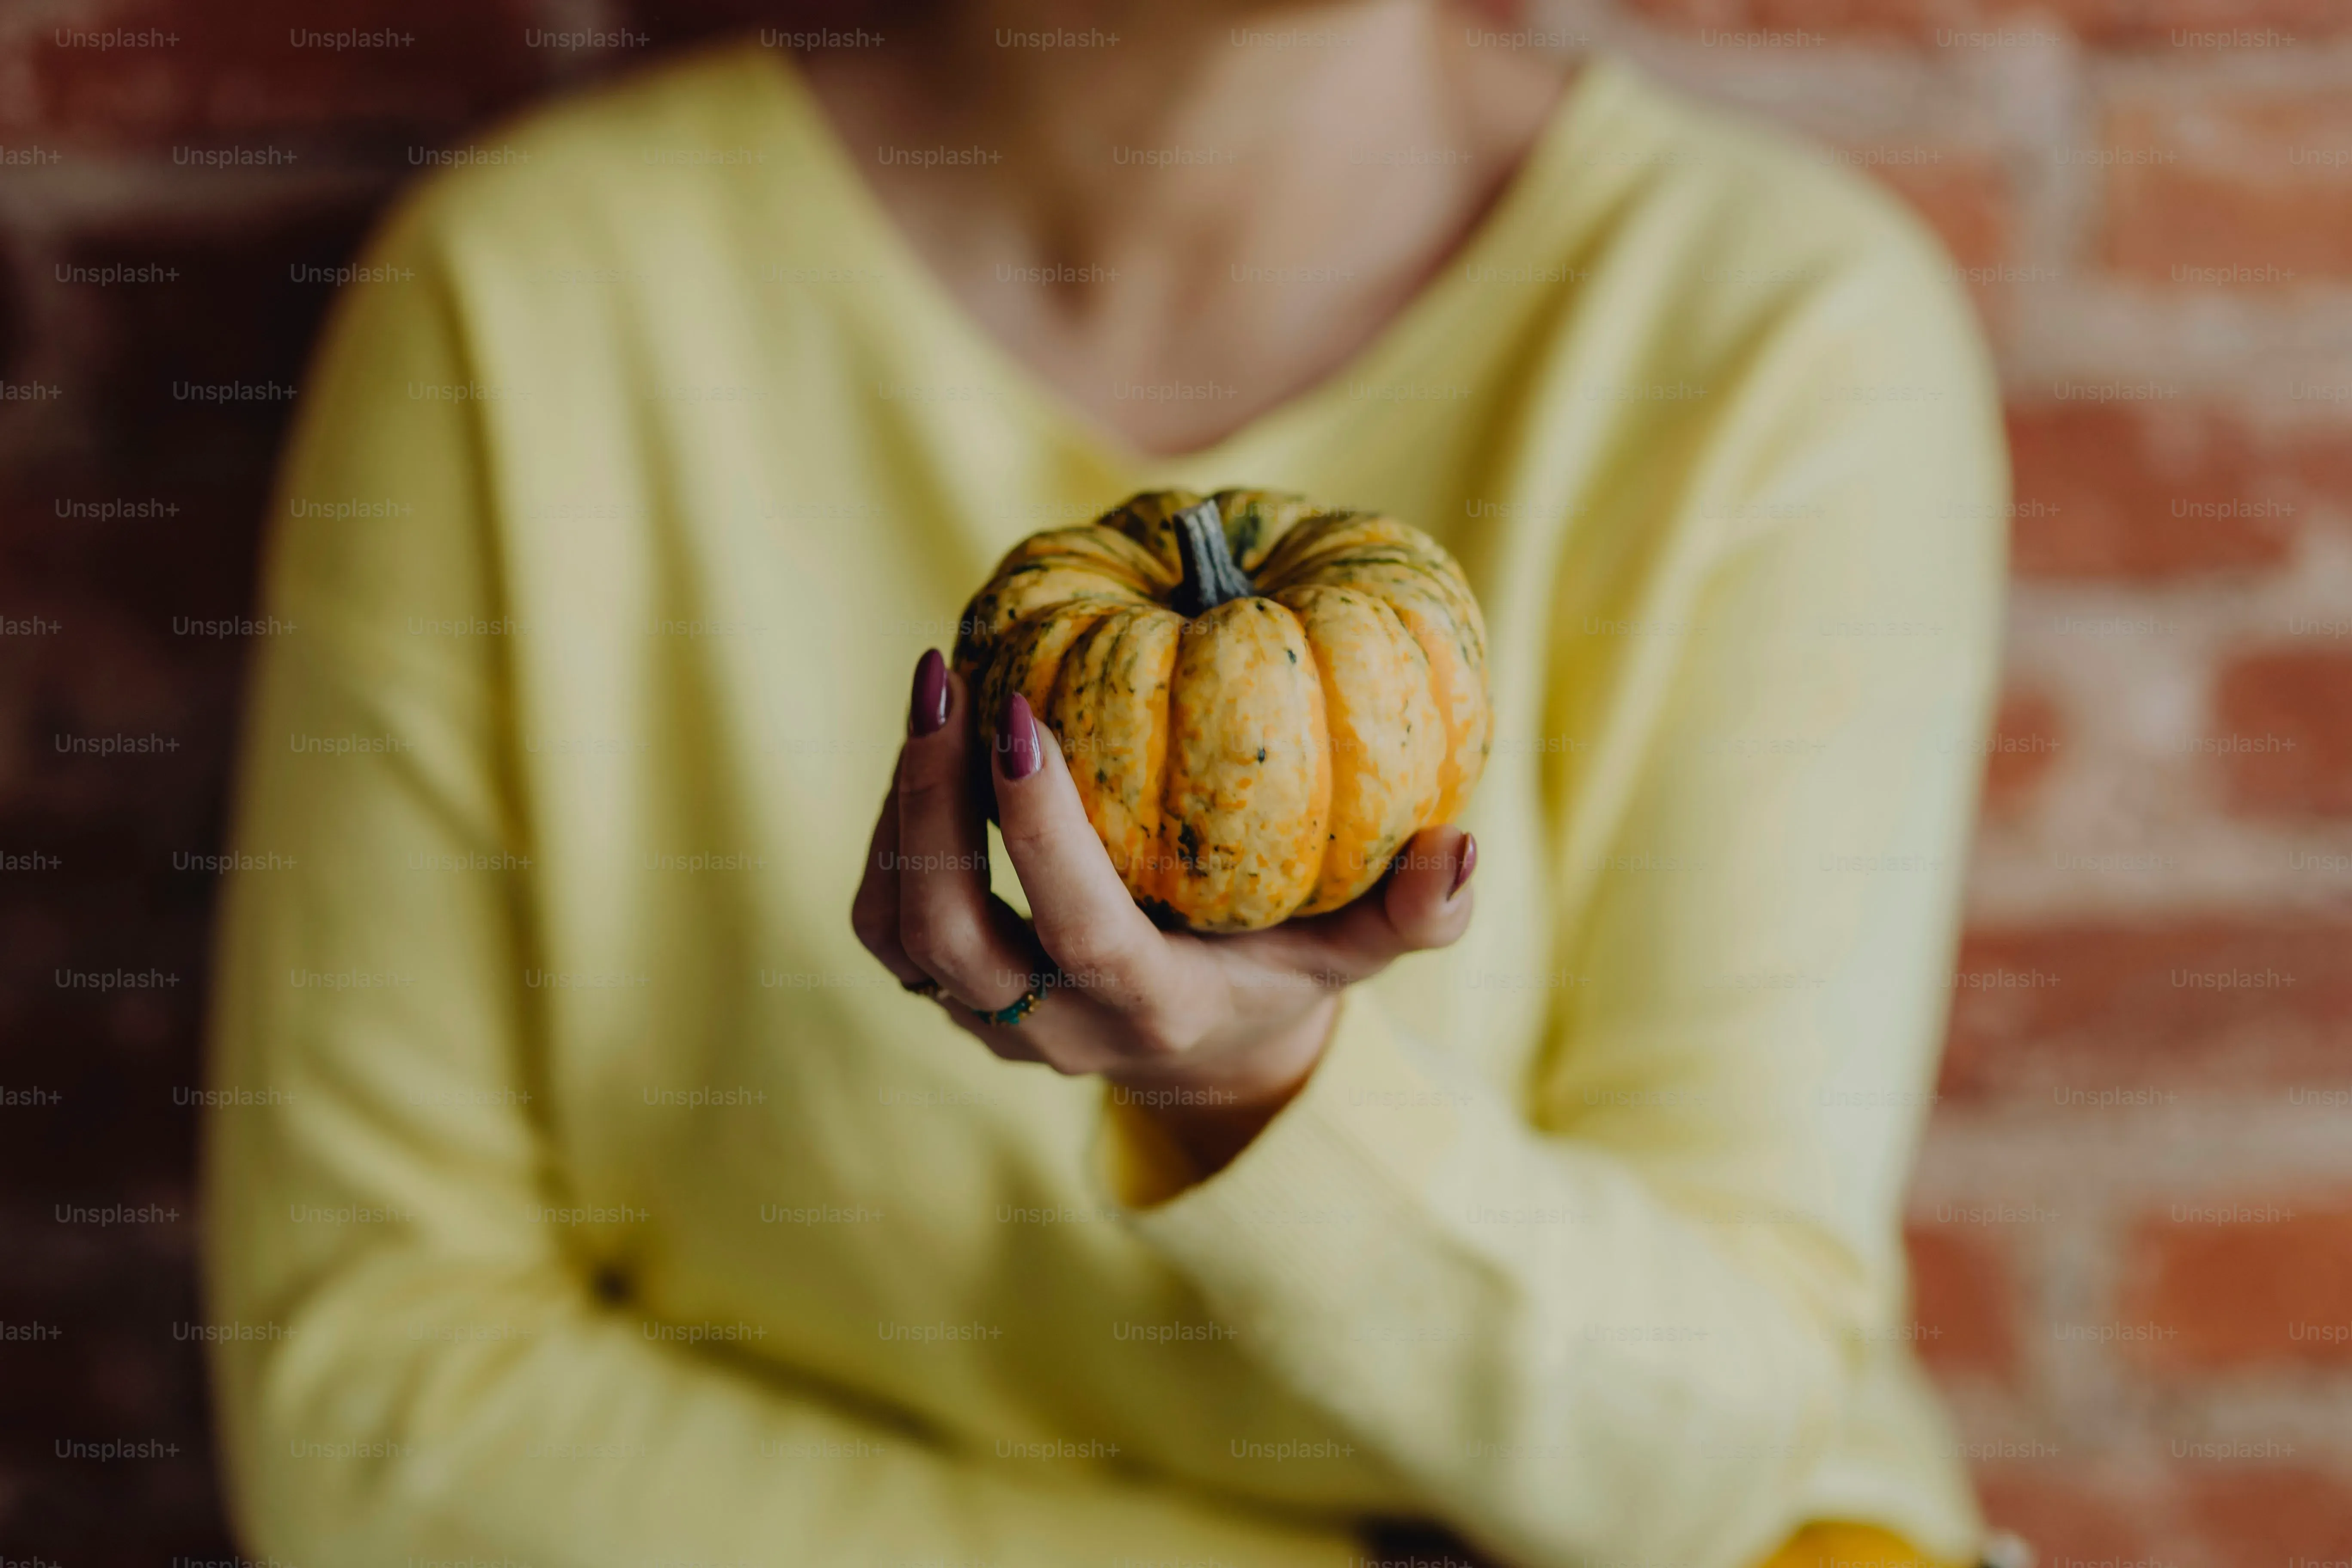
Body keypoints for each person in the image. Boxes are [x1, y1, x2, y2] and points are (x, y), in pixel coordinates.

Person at [201, 2, 2009, 1565]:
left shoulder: (1774, 333)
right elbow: (372, 1418)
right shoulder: (530, 307)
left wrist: (1265, 1090)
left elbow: (1706, 1454)